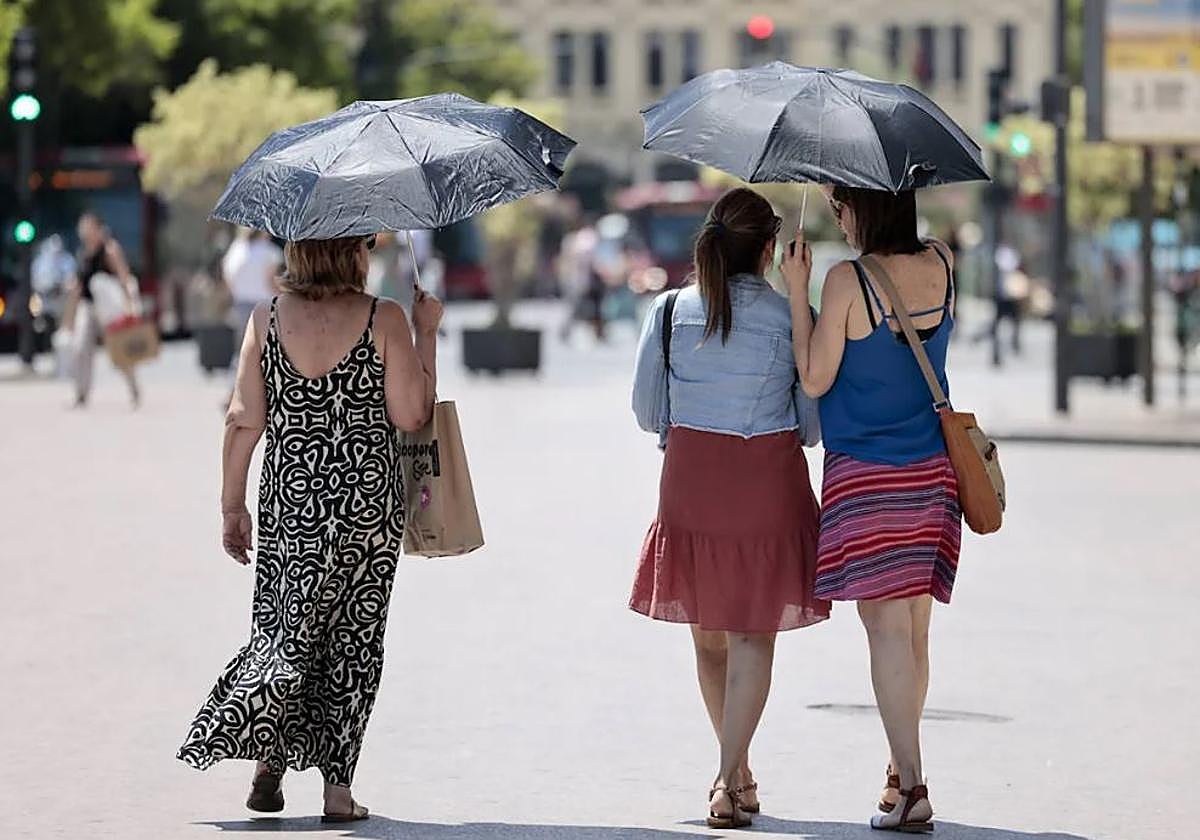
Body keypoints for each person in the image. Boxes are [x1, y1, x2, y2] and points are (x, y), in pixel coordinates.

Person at [177, 233, 443, 822]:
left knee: (284, 631)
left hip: (291, 508)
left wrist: (231, 505)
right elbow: (412, 414)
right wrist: (428, 332)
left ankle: (268, 762)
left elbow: (243, 418)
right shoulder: (384, 317)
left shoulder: (267, 317)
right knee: (352, 643)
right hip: (365, 512)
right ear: (353, 254)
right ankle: (338, 790)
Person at [629, 187, 828, 830]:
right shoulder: (789, 315)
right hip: (766, 475)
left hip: (691, 476)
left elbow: (646, 412)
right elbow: (810, 424)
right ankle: (727, 773)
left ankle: (734, 771)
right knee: (752, 632)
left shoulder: (667, 312)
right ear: (771, 249)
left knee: (707, 635)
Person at [784, 185, 962, 834]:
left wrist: (797, 295)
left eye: (842, 206)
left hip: (868, 477)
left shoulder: (845, 282)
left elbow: (813, 377)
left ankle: (913, 786)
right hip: (933, 472)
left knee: (886, 630)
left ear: (867, 208)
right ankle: (898, 767)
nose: (838, 216)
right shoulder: (942, 262)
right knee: (912, 630)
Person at [61, 211, 141, 408]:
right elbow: (78, 288)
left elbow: (124, 276)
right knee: (80, 349)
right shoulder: (83, 253)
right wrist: (69, 317)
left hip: (109, 309)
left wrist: (130, 305)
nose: (84, 231)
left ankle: (133, 388)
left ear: (97, 228)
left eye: (88, 227)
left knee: (118, 350)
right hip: (88, 307)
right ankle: (81, 392)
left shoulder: (109, 249)